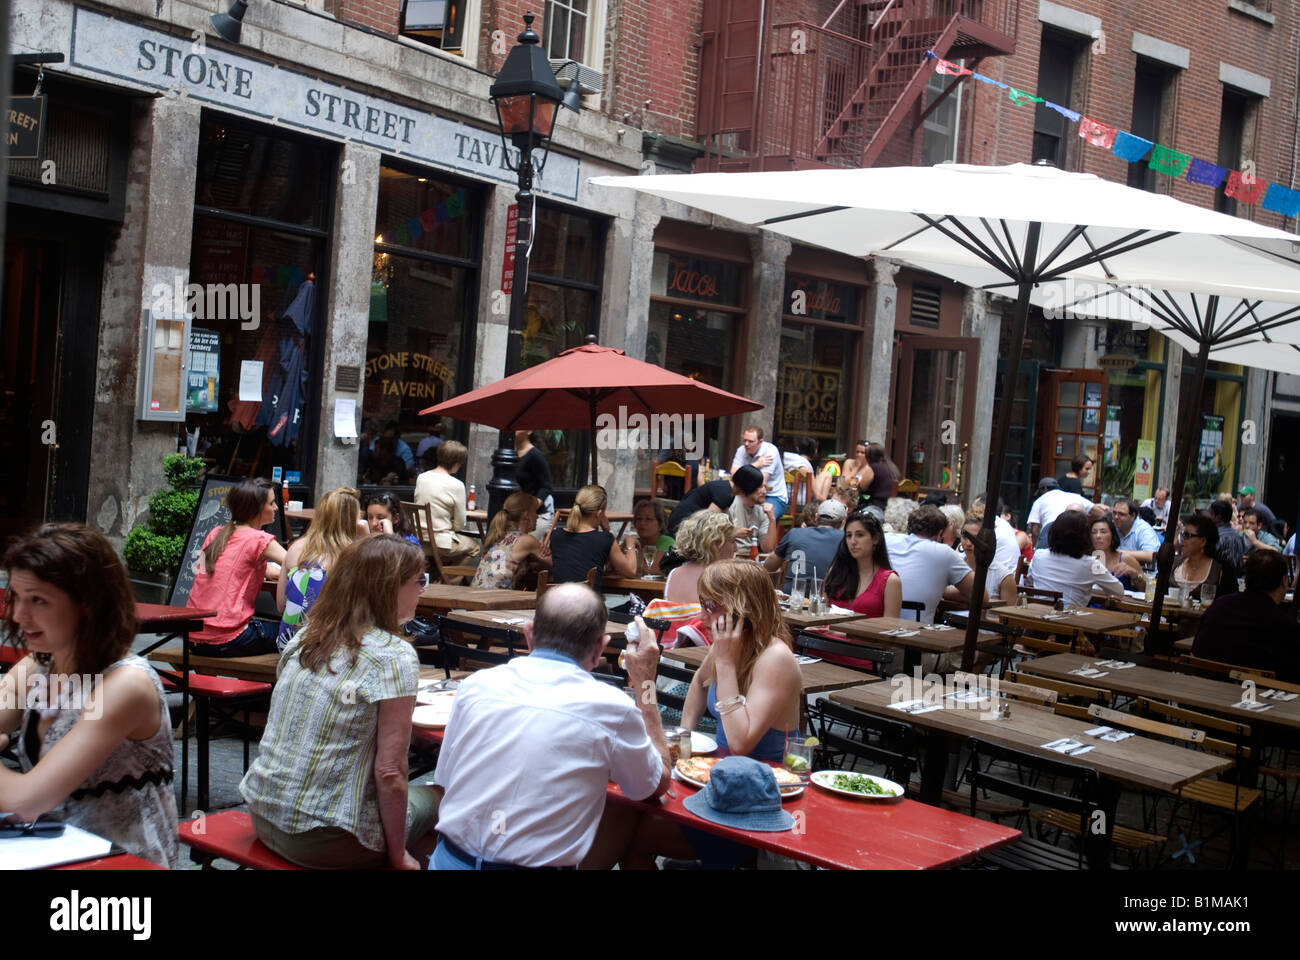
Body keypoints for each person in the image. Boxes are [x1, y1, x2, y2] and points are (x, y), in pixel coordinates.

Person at [433, 584, 670, 869]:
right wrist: (645, 683)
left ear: (529, 635)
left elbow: (444, 782)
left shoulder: (474, 685)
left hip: (447, 859)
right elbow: (653, 785)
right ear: (600, 648)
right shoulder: (613, 708)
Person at [240, 536, 435, 869]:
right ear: (389, 588)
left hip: (264, 813)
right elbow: (390, 771)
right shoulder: (394, 655)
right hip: (326, 839)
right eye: (419, 581)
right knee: (446, 796)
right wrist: (399, 855)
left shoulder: (306, 635)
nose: (423, 590)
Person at [0, 524, 179, 868]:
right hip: (44, 852)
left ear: (88, 604)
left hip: (120, 870)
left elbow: (27, 801)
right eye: (17, 597)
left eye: (38, 600)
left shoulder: (126, 684)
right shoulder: (37, 667)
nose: (19, 616)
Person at [602, 561, 802, 870]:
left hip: (757, 803)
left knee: (634, 836)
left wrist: (724, 664)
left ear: (742, 608)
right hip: (715, 783)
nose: (701, 617)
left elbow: (740, 743)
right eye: (702, 605)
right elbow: (698, 684)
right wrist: (684, 743)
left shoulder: (775, 657)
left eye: (711, 606)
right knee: (623, 811)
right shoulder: (730, 645)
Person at [186, 477, 288, 656]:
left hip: (192, 637)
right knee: (298, 635)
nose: (276, 508)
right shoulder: (259, 539)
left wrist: (264, 570)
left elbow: (211, 570)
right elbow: (301, 564)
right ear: (256, 508)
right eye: (272, 503)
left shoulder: (215, 533)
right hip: (227, 639)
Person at [277, 487, 368, 650]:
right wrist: (366, 537)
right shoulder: (354, 554)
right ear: (352, 521)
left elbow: (280, 605)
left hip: (288, 645)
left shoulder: (295, 547)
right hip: (328, 649)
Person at [1193, 551, 1300, 681]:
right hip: (1255, 697)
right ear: (1284, 581)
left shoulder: (1217, 607)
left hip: (1204, 688)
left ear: (1246, 578)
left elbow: (1196, 650)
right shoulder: (1283, 625)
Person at [885, 504, 975, 624]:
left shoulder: (888, 540)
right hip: (917, 632)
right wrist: (939, 590)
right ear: (940, 534)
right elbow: (980, 596)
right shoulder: (944, 552)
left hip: (879, 626)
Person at [1026, 509, 1124, 608]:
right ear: (1084, 536)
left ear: (1053, 531)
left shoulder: (1039, 555)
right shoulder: (1090, 563)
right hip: (1069, 620)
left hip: (1036, 617)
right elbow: (1118, 591)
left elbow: (1030, 580)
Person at [549, 484, 638, 590]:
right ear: (599, 513)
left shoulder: (556, 535)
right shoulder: (604, 539)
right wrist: (630, 544)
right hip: (588, 603)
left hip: (558, 602)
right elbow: (631, 571)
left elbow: (577, 563)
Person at [825, 511, 902, 618]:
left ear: (875, 538)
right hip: (824, 634)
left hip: (865, 634)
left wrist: (846, 634)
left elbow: (889, 629)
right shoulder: (835, 571)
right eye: (848, 535)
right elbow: (820, 613)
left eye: (859, 535)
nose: (853, 541)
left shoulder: (890, 581)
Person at [414, 440, 479, 565]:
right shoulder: (456, 485)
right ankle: (449, 580)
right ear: (456, 463)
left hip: (419, 540)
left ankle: (438, 575)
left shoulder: (422, 478)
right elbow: (460, 525)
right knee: (474, 547)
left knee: (454, 548)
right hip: (441, 542)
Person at [471, 492, 551, 589]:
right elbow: (555, 564)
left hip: (475, 595)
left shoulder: (502, 535)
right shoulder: (526, 540)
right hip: (494, 599)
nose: (537, 516)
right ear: (526, 515)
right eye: (535, 512)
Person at [663, 464, 767, 539]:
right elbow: (709, 525)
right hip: (681, 529)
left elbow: (724, 523)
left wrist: (733, 530)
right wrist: (733, 532)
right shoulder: (724, 494)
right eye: (756, 487)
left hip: (687, 524)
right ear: (748, 486)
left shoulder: (728, 491)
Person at [664, 511, 745, 606]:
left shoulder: (673, 574)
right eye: (733, 541)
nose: (736, 548)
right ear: (715, 543)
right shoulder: (723, 577)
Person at [766, 498, 845, 592]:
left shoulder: (794, 533)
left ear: (816, 517)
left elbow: (770, 563)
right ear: (842, 523)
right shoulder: (845, 539)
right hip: (823, 599)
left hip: (789, 598)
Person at [1172, 512, 1239, 602]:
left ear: (1203, 541)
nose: (1182, 539)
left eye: (1187, 535)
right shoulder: (1174, 564)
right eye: (1183, 535)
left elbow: (1229, 604)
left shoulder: (1221, 570)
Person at [731, 426, 789, 520]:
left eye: (750, 441)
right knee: (731, 508)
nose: (746, 444)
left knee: (762, 517)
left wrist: (741, 475)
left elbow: (760, 482)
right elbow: (734, 474)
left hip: (773, 496)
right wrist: (757, 464)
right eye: (745, 440)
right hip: (749, 493)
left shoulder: (770, 451)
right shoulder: (742, 450)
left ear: (760, 442)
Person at [961, 510, 1018, 604]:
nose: (968, 543)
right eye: (965, 537)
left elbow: (1007, 618)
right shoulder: (955, 564)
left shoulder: (1003, 576)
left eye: (975, 539)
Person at [515, 430, 556, 537]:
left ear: (529, 431)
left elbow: (547, 486)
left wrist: (532, 507)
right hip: (514, 514)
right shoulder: (509, 453)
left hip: (535, 515)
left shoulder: (536, 456)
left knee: (519, 547)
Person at [1026, 478, 1092, 544]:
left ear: (1044, 488)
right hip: (1071, 531)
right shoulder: (1073, 496)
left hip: (1049, 532)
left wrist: (1034, 547)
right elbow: (1096, 508)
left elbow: (1035, 529)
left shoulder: (1040, 500)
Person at [1090, 515, 1145, 592]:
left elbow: (1145, 588)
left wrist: (1134, 573)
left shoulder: (1125, 558)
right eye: (1094, 532)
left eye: (1103, 532)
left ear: (1112, 535)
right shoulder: (1087, 559)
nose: (1098, 536)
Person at [971, 494, 1023, 573]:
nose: (971, 514)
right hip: (1005, 577)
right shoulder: (1002, 523)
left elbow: (970, 557)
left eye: (973, 510)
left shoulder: (989, 526)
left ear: (983, 508)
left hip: (999, 579)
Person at [630, 499, 674, 576]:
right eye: (639, 519)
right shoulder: (634, 543)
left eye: (648, 519)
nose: (642, 523)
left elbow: (650, 569)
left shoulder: (667, 542)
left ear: (660, 524)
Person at [856, 443, 900, 518]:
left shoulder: (873, 467)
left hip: (879, 506)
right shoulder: (892, 467)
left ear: (869, 456)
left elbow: (862, 487)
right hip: (895, 506)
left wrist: (858, 468)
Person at [1208, 499, 1248, 579]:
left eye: (1211, 514)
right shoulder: (1238, 536)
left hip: (1216, 580)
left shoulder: (1214, 536)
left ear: (1218, 517)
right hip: (1234, 581)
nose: (1209, 516)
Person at [1112, 498, 1160, 564]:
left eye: (1121, 514)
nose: (1116, 517)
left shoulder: (1143, 529)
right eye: (1114, 513)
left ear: (1133, 516)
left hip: (1144, 573)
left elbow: (1151, 556)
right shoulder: (1112, 526)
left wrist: (1118, 554)